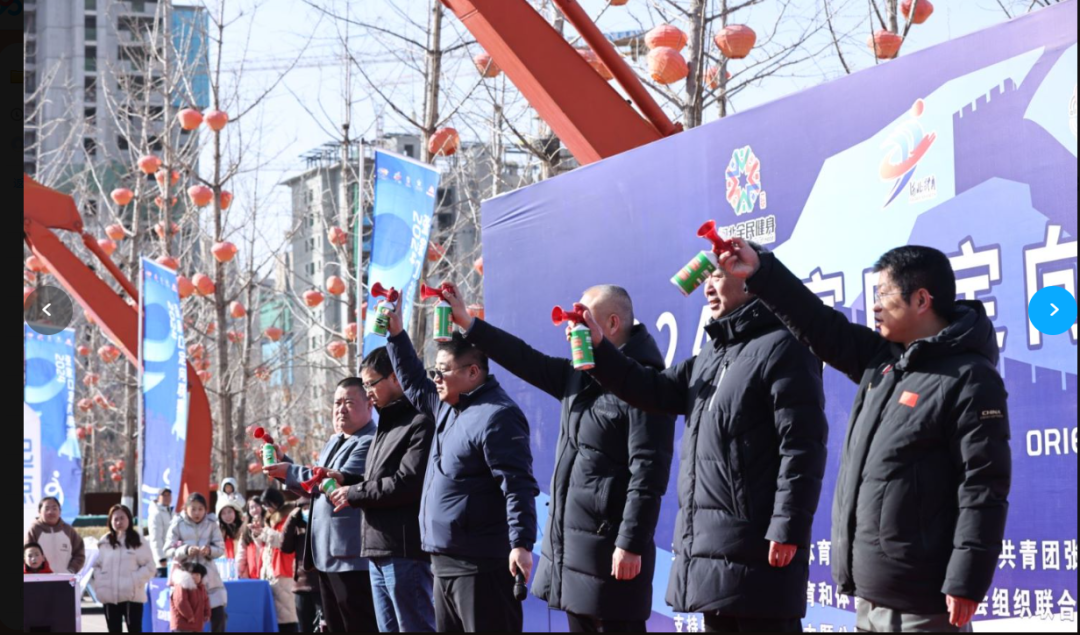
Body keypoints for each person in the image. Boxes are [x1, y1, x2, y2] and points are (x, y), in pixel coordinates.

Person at [717, 240, 1012, 633]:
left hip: (924, 601)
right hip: (870, 594)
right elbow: (819, 324)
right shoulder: (884, 362)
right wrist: (761, 272)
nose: (874, 306)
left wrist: (967, 580)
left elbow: (983, 486)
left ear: (921, 299)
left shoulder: (970, 378)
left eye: (883, 295)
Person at [579, 253, 830, 633]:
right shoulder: (713, 352)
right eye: (705, 279)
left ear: (749, 279)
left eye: (717, 276)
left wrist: (787, 527)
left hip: (760, 550)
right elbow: (652, 389)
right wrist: (601, 348)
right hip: (710, 553)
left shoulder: (785, 346)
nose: (708, 287)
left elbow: (802, 446)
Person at [442, 284, 676, 632]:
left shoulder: (646, 385)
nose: (569, 328)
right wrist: (469, 324)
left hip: (612, 556)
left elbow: (649, 472)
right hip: (573, 556)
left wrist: (630, 542)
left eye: (580, 319)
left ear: (612, 324)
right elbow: (523, 357)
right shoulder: (577, 376)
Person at [384, 303, 540, 633]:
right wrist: (396, 335)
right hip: (443, 563)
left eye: (443, 371)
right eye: (435, 371)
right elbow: (413, 381)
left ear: (473, 372)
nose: (436, 378)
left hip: (482, 566)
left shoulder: (497, 415)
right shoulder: (447, 406)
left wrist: (521, 543)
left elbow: (518, 485)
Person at [325, 346, 437, 633]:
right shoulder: (386, 424)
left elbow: (406, 483)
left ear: (396, 378)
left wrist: (353, 493)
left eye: (371, 384)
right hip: (377, 548)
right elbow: (376, 478)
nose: (368, 393)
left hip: (404, 549)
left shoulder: (420, 421)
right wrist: (346, 479)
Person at [264, 377, 379, 633]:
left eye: (349, 402)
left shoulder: (370, 441)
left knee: (357, 624)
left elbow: (331, 483)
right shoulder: (334, 441)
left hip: (351, 555)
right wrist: (285, 465)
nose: (341, 409)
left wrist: (289, 471)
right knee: (335, 626)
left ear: (369, 405)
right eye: (337, 403)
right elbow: (313, 487)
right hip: (325, 553)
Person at [165, 493, 228, 632]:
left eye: (200, 509)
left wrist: (209, 550)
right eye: (193, 509)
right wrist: (185, 550)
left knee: (218, 615)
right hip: (186, 579)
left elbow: (220, 548)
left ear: (205, 509)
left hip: (209, 578)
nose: (197, 513)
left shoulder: (212, 524)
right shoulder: (177, 524)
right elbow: (168, 550)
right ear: (186, 508)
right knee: (187, 621)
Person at [93, 504, 156, 633]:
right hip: (109, 597)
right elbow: (97, 565)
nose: (119, 522)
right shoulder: (105, 541)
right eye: (115, 519)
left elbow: (150, 567)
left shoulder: (138, 540)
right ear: (110, 521)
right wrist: (101, 583)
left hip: (131, 597)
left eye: (122, 518)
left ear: (129, 519)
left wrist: (134, 580)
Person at [258, 487, 300, 632]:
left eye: (267, 504)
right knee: (278, 614)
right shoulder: (272, 519)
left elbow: (283, 541)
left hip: (284, 569)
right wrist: (258, 534)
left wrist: (264, 532)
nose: (265, 508)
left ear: (275, 503)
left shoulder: (287, 517)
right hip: (272, 569)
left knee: (287, 614)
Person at [280, 498, 322, 633]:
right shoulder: (297, 526)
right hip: (301, 585)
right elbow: (285, 547)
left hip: (321, 585)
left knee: (322, 627)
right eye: (303, 508)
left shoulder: (322, 523)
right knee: (304, 627)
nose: (307, 511)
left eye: (309, 507)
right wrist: (291, 519)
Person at [25, 496, 85, 575]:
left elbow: (79, 554)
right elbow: (26, 556)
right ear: (39, 512)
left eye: (54, 508)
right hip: (40, 579)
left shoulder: (69, 530)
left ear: (60, 512)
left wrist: (71, 570)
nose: (50, 512)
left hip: (64, 578)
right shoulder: (34, 530)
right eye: (47, 509)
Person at [170, 561, 212, 633]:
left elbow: (205, 601)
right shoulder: (182, 585)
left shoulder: (201, 588)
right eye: (192, 574)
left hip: (196, 624)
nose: (195, 577)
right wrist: (189, 616)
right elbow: (181, 601)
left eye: (198, 574)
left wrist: (207, 614)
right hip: (183, 625)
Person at [148, 488, 174, 578]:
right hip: (163, 562)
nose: (167, 497)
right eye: (164, 495)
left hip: (172, 560)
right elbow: (155, 539)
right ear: (158, 497)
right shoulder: (156, 514)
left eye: (168, 495)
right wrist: (160, 558)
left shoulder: (172, 512)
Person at [238, 503, 264, 580]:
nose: (254, 509)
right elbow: (241, 554)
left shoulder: (268, 526)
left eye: (257, 506)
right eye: (251, 507)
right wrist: (238, 572)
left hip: (266, 573)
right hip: (250, 575)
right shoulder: (245, 531)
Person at [216, 499, 244, 564]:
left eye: (229, 512)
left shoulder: (243, 528)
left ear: (235, 512)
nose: (227, 515)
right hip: (226, 566)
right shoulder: (220, 532)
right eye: (223, 513)